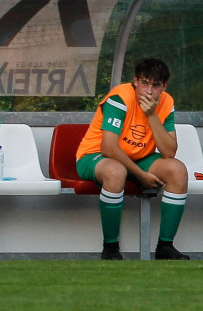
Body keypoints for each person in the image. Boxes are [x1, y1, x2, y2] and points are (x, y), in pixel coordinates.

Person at [76, 58, 189, 261]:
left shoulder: (167, 102)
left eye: (155, 86)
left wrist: (152, 115)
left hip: (139, 157)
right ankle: (110, 248)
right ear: (135, 81)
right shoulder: (120, 97)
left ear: (164, 86)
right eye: (144, 83)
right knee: (115, 171)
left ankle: (165, 247)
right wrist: (140, 175)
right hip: (95, 156)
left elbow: (169, 152)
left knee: (177, 170)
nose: (148, 91)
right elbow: (108, 147)